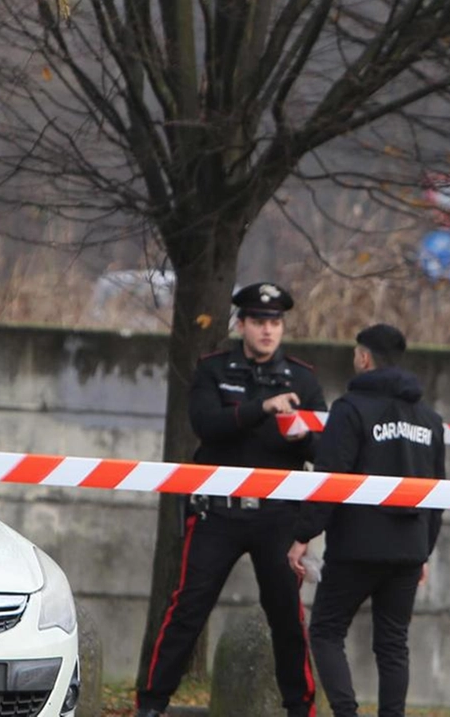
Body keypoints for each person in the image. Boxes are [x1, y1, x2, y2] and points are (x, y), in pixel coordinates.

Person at [137, 281, 327, 717]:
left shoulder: (302, 378)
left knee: (287, 619)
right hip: (217, 513)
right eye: (259, 322)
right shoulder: (214, 369)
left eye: (275, 322)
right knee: (187, 611)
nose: (267, 330)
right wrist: (262, 409)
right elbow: (207, 424)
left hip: (277, 516)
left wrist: (303, 436)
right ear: (241, 324)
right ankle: (150, 705)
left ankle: (301, 708)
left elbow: (323, 450)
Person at [286, 324, 446, 717]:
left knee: (325, 630)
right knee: (393, 643)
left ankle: (346, 713)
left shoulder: (350, 408)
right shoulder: (429, 419)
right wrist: (423, 550)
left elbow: (331, 477)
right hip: (408, 548)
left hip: (357, 545)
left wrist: (304, 534)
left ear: (364, 358)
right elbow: (438, 493)